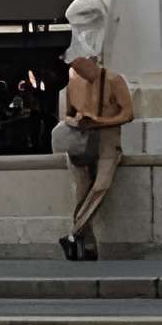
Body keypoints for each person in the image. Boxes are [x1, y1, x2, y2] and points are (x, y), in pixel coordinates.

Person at [52, 46, 133, 262]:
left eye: (82, 65)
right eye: (74, 66)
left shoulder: (114, 80)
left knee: (101, 186)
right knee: (81, 193)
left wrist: (100, 122)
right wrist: (78, 120)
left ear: (93, 60)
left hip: (108, 142)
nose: (78, 70)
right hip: (80, 141)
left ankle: (73, 234)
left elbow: (128, 113)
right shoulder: (73, 82)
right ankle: (88, 246)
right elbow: (66, 115)